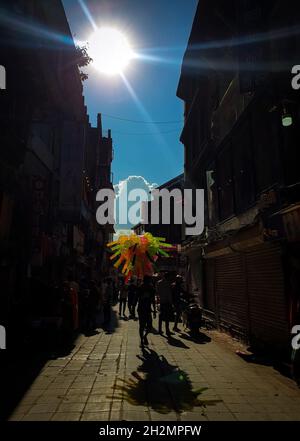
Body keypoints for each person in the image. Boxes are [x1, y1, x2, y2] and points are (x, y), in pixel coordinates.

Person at [136, 275, 156, 347]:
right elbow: (136, 297)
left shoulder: (151, 288)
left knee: (149, 326)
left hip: (148, 309)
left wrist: (154, 310)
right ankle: (141, 340)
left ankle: (145, 336)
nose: (148, 282)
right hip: (141, 309)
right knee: (142, 325)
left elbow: (153, 300)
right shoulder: (140, 288)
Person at [156, 272, 173, 336]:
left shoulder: (159, 282)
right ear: (167, 277)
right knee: (167, 317)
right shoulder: (168, 284)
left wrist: (158, 300)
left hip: (161, 301)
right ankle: (167, 330)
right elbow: (169, 294)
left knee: (161, 316)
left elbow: (157, 292)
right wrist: (171, 302)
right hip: (167, 302)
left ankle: (160, 329)